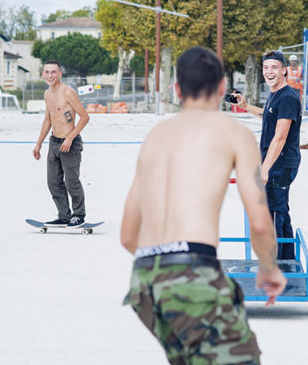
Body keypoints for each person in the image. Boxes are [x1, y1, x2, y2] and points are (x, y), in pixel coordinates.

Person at [120, 47, 286, 364]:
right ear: (223, 88)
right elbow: (261, 222)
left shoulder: (155, 137)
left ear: (177, 89)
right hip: (192, 271)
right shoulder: (233, 133)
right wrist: (268, 267)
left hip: (143, 281)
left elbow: (128, 235)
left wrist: (164, 266)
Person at [233, 50, 302, 261]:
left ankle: (274, 268)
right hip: (275, 163)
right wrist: (245, 106)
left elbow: (280, 137)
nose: (269, 72)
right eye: (266, 68)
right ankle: (287, 261)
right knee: (280, 211)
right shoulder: (276, 95)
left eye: (274, 67)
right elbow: (268, 114)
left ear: (284, 70)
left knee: (272, 214)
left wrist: (265, 169)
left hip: (280, 165)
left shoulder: (288, 97)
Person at [32, 60, 90, 228]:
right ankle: (64, 216)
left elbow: (85, 117)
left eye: (53, 72)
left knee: (72, 181)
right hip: (54, 142)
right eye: (47, 72)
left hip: (70, 144)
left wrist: (70, 138)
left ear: (59, 74)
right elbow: (48, 119)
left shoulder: (68, 92)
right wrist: (38, 144)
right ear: (43, 74)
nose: (50, 75)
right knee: (53, 182)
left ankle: (78, 215)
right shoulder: (47, 94)